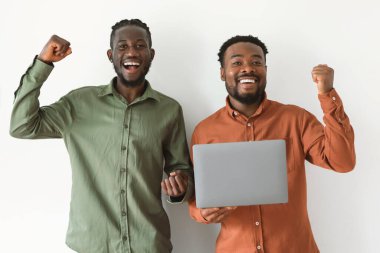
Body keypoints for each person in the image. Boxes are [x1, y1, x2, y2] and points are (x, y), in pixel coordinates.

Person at [10, 19, 193, 253]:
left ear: (151, 53)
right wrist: (43, 63)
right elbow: (22, 126)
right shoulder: (78, 104)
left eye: (139, 46)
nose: (132, 52)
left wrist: (180, 189)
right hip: (92, 244)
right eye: (122, 46)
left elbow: (181, 170)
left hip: (149, 243)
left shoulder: (169, 109)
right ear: (110, 55)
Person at [188, 35, 355, 253]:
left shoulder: (296, 119)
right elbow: (196, 197)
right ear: (222, 73)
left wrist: (327, 94)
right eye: (237, 62)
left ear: (265, 70)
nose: (247, 68)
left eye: (256, 62)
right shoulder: (205, 131)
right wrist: (201, 213)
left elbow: (342, 161)